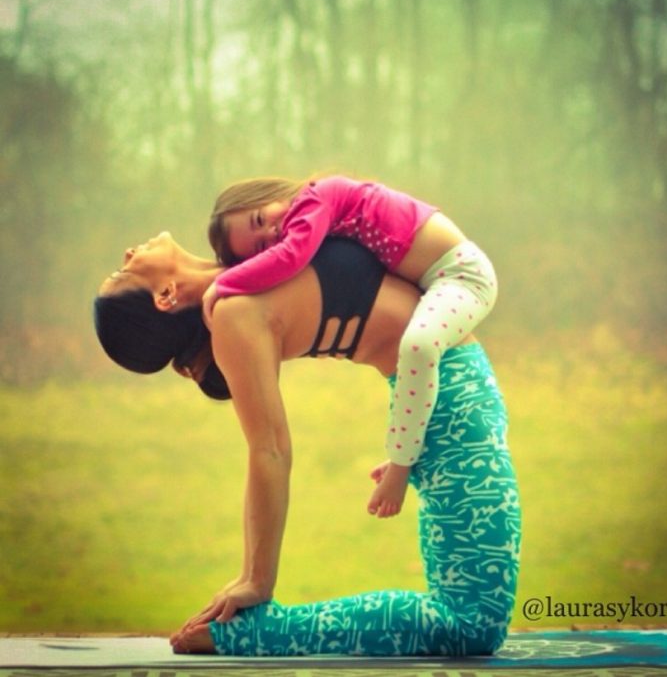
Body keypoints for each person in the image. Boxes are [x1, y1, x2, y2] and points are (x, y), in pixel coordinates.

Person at [94, 231, 520, 657]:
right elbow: (270, 449)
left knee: (471, 620)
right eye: (122, 271)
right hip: (455, 406)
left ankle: (255, 631)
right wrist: (256, 579)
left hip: (443, 401)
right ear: (166, 295)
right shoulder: (233, 315)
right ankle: (256, 633)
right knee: (472, 626)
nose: (128, 251)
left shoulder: (250, 244)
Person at [205, 175, 498, 518]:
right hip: (439, 282)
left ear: (265, 194)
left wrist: (221, 284)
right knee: (416, 348)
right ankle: (406, 453)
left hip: (463, 276)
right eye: (260, 248)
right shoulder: (315, 218)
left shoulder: (317, 198)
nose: (271, 233)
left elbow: (290, 257)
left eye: (259, 219)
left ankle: (402, 466)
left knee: (418, 347)